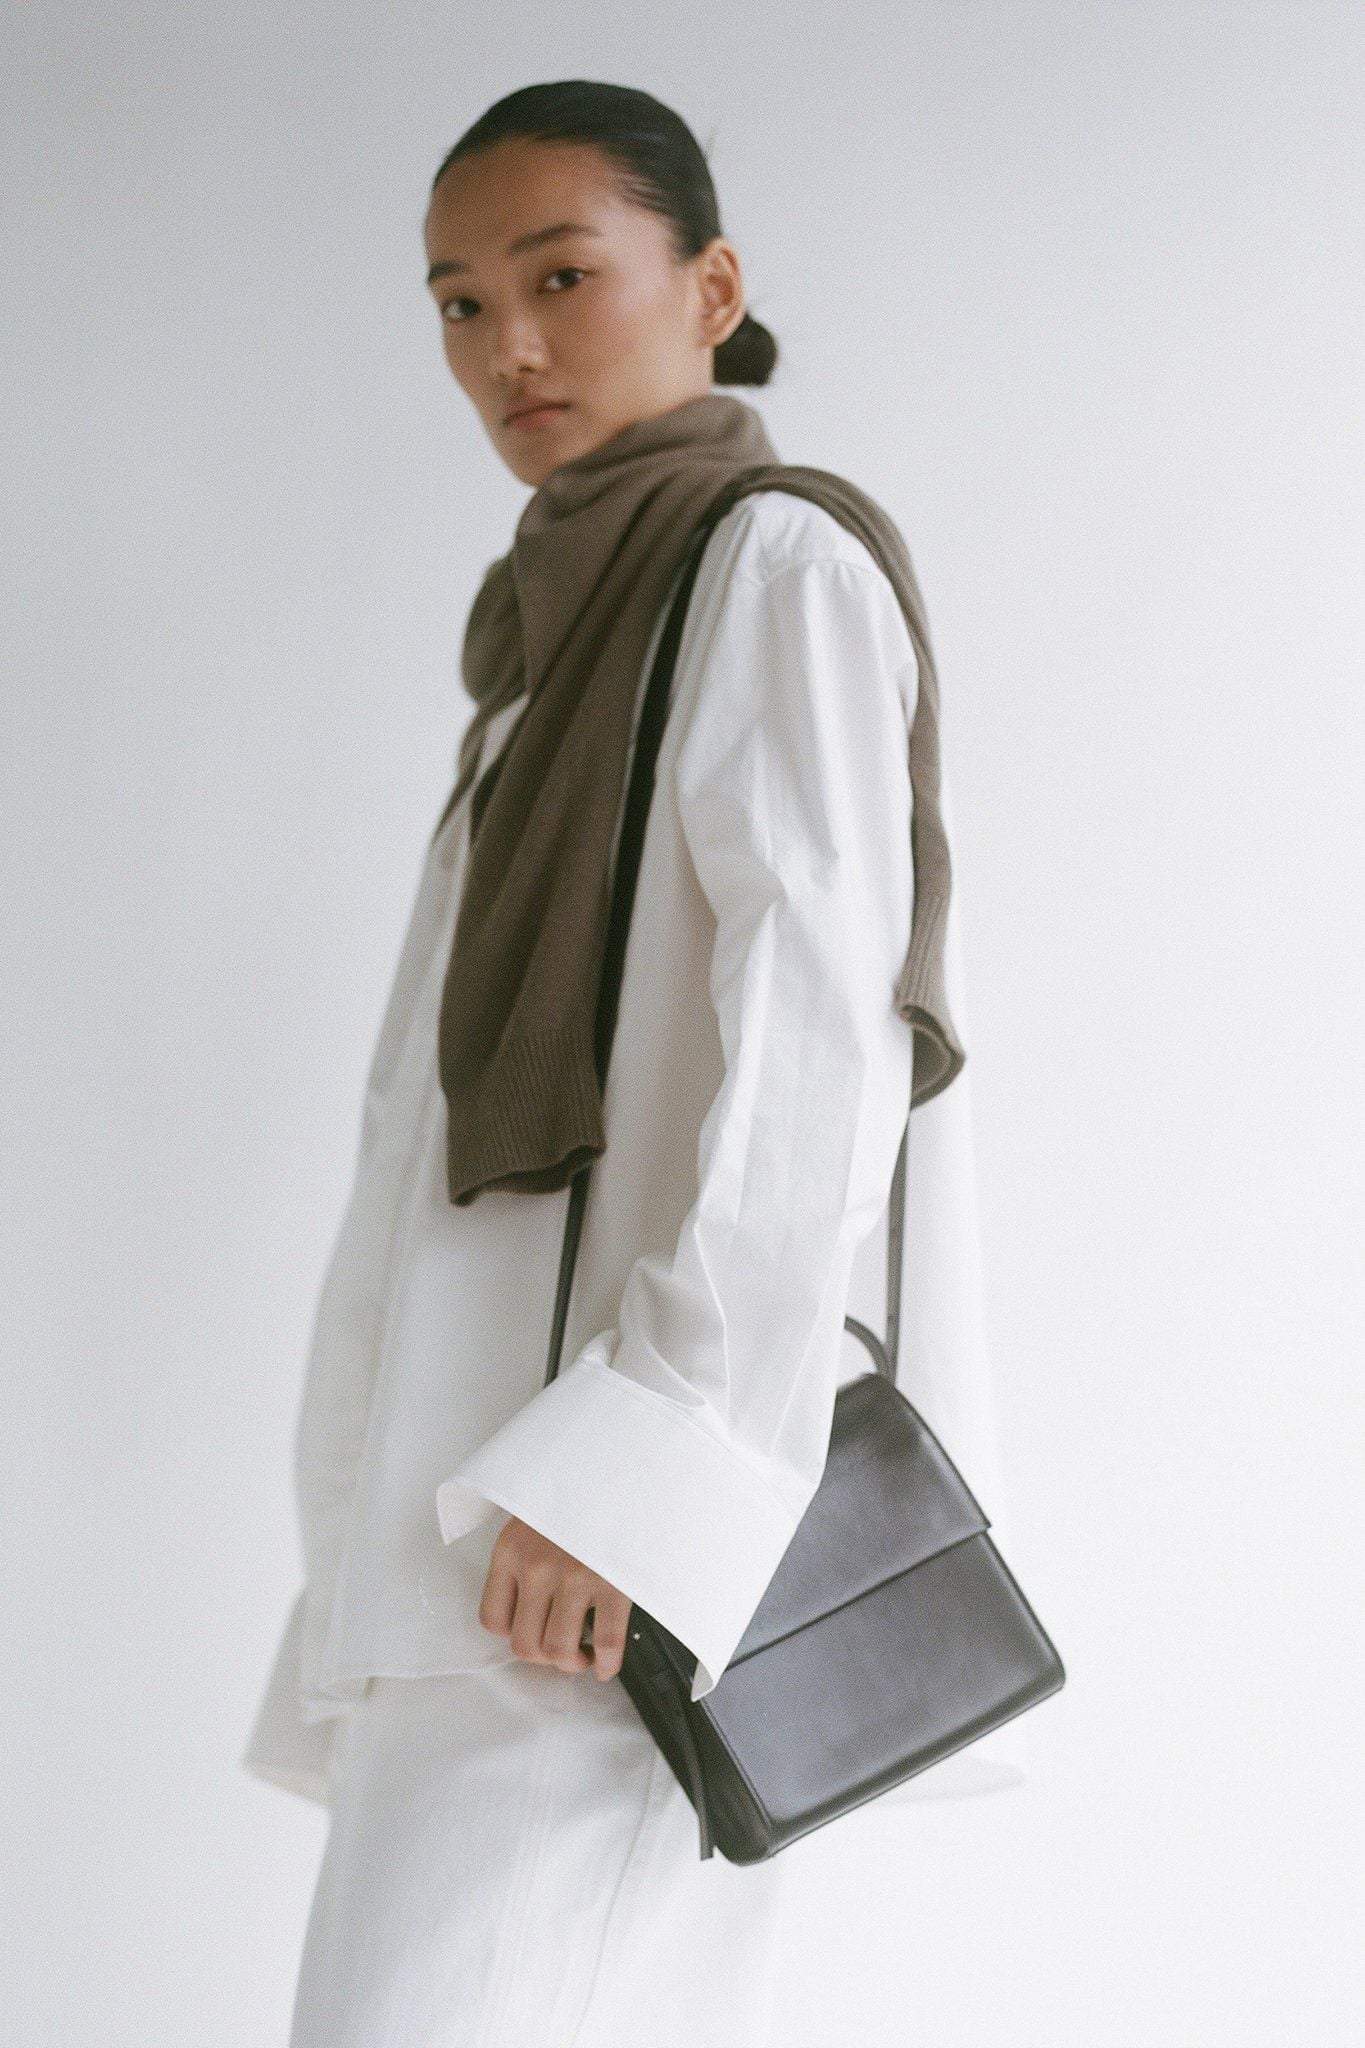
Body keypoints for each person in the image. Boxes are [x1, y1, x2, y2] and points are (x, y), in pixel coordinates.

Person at [242, 78, 1026, 2048]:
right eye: (457, 303)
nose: (504, 345)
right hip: (480, 1545)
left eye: (559, 276)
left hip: (590, 1559)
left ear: (710, 289)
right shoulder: (534, 671)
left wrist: (645, 1471)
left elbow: (816, 1058)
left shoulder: (771, 572)